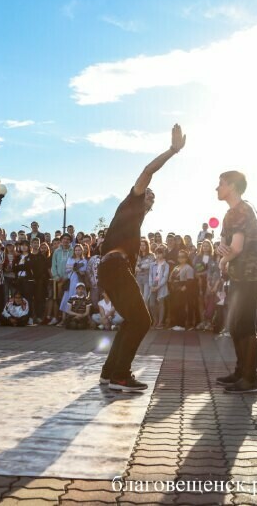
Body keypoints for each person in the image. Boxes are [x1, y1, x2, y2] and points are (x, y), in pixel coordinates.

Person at [99, 124, 185, 392]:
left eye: (152, 198)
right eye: (147, 193)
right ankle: (121, 376)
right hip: (114, 266)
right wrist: (172, 150)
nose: (149, 196)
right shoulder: (130, 202)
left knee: (132, 320)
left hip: (111, 268)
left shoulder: (133, 222)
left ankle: (110, 372)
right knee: (142, 321)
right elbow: (148, 171)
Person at [212, 170, 257, 394]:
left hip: (250, 275)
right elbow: (224, 244)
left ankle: (250, 378)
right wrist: (221, 252)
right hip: (238, 275)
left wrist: (222, 260)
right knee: (235, 325)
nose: (217, 188)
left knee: (244, 326)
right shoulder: (229, 214)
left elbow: (235, 248)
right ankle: (240, 371)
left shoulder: (242, 210)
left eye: (221, 183)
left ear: (233, 186)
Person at [169, 249, 195, 331]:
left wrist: (184, 287)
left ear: (186, 258)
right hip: (175, 290)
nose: (181, 258)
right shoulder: (176, 267)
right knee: (176, 306)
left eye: (183, 257)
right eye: (179, 257)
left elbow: (190, 280)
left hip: (183, 290)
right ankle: (177, 324)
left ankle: (182, 325)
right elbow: (171, 278)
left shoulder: (188, 268)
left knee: (182, 307)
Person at [50, 233, 73, 324]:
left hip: (69, 280)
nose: (66, 240)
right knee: (58, 299)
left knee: (68, 299)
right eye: (64, 239)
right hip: (58, 279)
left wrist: (67, 277)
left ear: (70, 241)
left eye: (68, 239)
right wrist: (56, 276)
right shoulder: (56, 251)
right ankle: (57, 317)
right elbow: (53, 265)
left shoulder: (72, 251)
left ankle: (66, 318)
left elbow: (73, 264)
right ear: (61, 240)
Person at [148, 247, 170, 329]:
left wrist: (158, 286)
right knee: (151, 304)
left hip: (161, 286)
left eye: (160, 253)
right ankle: (155, 320)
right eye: (156, 253)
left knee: (161, 304)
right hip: (153, 286)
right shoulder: (152, 264)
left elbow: (165, 277)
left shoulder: (166, 265)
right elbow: (150, 275)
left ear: (163, 254)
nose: (158, 255)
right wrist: (151, 285)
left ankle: (160, 323)